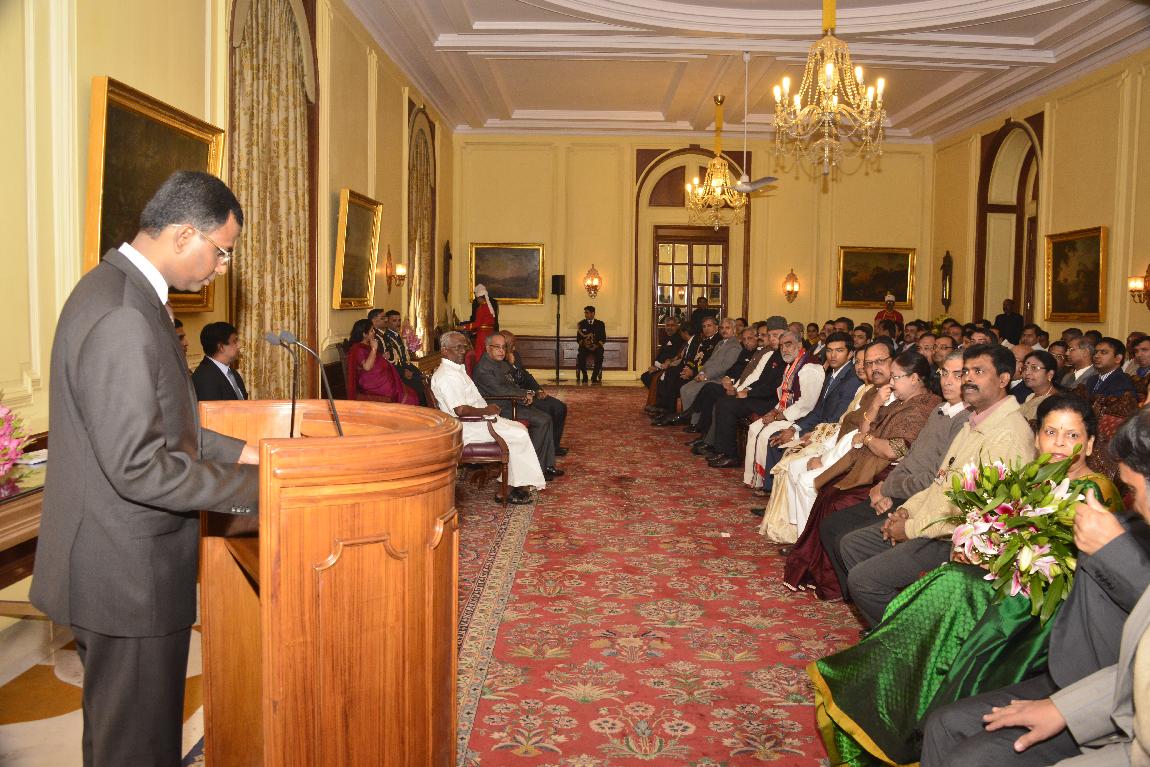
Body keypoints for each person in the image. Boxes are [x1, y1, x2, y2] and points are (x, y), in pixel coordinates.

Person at [29, 170, 260, 766]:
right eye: (222, 251)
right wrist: (261, 487)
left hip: (124, 564)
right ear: (184, 235)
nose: (222, 267)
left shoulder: (119, 290)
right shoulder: (123, 314)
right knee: (137, 746)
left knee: (127, 737)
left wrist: (243, 452)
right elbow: (139, 465)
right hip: (126, 575)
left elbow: (160, 419)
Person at [815, 394, 1122, 767]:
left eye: (1072, 436)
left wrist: (1001, 558)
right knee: (940, 594)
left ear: (1089, 444)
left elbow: (1079, 572)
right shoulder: (1031, 479)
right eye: (1050, 432)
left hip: (1045, 610)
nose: (1059, 443)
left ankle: (909, 717)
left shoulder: (1094, 492)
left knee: (949, 592)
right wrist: (979, 548)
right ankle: (888, 708)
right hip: (1001, 587)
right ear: (1037, 439)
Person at [921, 407, 1150, 767]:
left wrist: (1113, 550)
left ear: (1089, 444)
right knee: (942, 723)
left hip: (1115, 699)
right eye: (1050, 432)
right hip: (1087, 678)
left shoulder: (1097, 500)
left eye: (1133, 489)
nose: (1132, 502)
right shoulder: (1039, 481)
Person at [839, 343, 1036, 627]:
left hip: (956, 541)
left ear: (1004, 379)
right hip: (930, 520)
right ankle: (895, 627)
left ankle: (911, 639)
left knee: (864, 580)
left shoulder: (1007, 435)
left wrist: (909, 529)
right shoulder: (975, 422)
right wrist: (906, 510)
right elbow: (940, 481)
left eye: (979, 372)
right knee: (853, 544)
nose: (968, 379)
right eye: (966, 372)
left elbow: (976, 515)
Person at [783, 350, 940, 597]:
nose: (891, 382)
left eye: (896, 377)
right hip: (875, 465)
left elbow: (892, 450)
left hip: (892, 474)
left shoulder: (924, 407)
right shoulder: (899, 402)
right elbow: (866, 427)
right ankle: (825, 573)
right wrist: (876, 404)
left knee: (836, 501)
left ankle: (839, 582)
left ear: (915, 379)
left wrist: (866, 439)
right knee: (828, 491)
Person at [760, 342, 891, 544]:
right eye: (864, 363)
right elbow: (840, 424)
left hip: (854, 455)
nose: (865, 367)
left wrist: (824, 457)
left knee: (805, 478)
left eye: (876, 362)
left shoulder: (879, 393)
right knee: (794, 466)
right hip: (837, 442)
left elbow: (856, 434)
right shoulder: (865, 390)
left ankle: (807, 540)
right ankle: (799, 535)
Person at [431, 331, 545, 504]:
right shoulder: (447, 376)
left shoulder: (455, 370)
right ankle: (507, 490)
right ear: (445, 350)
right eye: (457, 347)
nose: (462, 351)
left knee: (520, 428)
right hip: (466, 427)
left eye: (464, 347)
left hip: (477, 420)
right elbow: (460, 410)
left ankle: (511, 484)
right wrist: (487, 410)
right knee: (519, 435)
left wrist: (487, 411)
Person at [746, 331, 859, 495]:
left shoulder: (851, 379)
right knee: (776, 436)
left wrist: (801, 434)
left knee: (776, 439)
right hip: (816, 424)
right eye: (829, 350)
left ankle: (775, 492)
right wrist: (794, 429)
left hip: (830, 433)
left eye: (839, 351)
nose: (833, 355)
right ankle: (771, 490)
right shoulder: (833, 375)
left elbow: (834, 418)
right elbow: (818, 410)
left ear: (850, 354)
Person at [473, 333, 563, 480]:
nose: (501, 351)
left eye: (504, 347)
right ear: (488, 348)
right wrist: (523, 395)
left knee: (546, 417)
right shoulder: (484, 368)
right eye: (497, 347)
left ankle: (546, 465)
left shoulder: (499, 362)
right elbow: (500, 391)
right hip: (499, 408)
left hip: (511, 402)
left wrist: (525, 393)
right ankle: (535, 469)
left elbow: (512, 384)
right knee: (542, 421)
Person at [500, 330, 568, 455]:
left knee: (560, 407)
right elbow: (510, 384)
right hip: (518, 399)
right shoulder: (500, 360)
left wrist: (538, 389)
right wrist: (511, 364)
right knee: (548, 410)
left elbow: (526, 375)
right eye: (511, 345)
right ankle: (543, 449)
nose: (514, 347)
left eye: (514, 344)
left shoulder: (515, 354)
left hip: (529, 393)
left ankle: (554, 446)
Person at [346, 318, 418, 404]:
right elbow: (367, 367)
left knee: (411, 392)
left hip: (380, 378)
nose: (374, 332)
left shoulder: (366, 345)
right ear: (364, 334)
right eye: (371, 330)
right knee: (410, 397)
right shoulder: (357, 348)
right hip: (372, 383)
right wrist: (374, 349)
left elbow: (372, 360)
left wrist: (382, 357)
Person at [380, 309, 427, 405]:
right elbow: (389, 362)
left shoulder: (397, 336)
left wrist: (418, 372)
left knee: (425, 382)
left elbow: (405, 360)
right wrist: (403, 372)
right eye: (394, 321)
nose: (398, 323)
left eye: (399, 320)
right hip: (397, 374)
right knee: (420, 389)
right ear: (387, 322)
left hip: (404, 369)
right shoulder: (386, 339)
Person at [191, 321, 248, 401]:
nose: (239, 346)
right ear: (221, 347)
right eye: (235, 341)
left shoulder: (232, 373)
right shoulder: (205, 378)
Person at [461, 284, 499, 372]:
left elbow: (477, 324)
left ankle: (479, 372)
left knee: (480, 354)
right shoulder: (490, 307)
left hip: (482, 335)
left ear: (479, 298)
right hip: (490, 334)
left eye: (477, 298)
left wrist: (464, 326)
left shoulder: (481, 308)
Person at [1019, 349, 1058, 426]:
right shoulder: (1030, 396)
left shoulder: (1054, 403)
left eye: (1034, 368)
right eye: (1025, 368)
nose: (1027, 372)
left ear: (1050, 374)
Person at [576, 305, 607, 384]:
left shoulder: (600, 324)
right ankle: (585, 376)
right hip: (585, 346)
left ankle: (594, 377)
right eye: (585, 313)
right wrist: (585, 343)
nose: (585, 314)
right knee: (581, 355)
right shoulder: (581, 324)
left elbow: (603, 338)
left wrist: (596, 345)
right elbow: (578, 339)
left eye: (587, 313)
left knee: (600, 355)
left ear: (593, 313)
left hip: (596, 346)